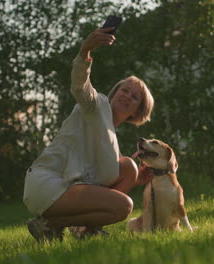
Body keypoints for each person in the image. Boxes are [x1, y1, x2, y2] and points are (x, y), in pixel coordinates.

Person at [23, 27, 154, 242]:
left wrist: (138, 180)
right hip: (47, 182)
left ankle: (79, 230)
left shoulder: (111, 137)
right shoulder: (97, 104)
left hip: (68, 188)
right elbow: (80, 87)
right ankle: (49, 224)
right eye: (124, 90)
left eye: (135, 97)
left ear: (137, 112)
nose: (127, 96)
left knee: (128, 166)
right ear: (113, 94)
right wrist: (85, 51)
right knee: (124, 206)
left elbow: (102, 178)